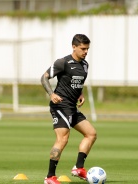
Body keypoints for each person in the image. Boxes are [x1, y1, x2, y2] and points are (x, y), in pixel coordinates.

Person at [41, 34, 97, 184]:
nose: (86, 52)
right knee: (63, 139)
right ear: (74, 47)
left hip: (72, 107)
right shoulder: (63, 62)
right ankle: (50, 177)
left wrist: (81, 93)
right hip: (60, 106)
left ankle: (79, 168)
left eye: (87, 49)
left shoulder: (85, 65)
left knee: (91, 134)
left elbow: (76, 82)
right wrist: (51, 94)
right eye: (83, 48)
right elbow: (44, 77)